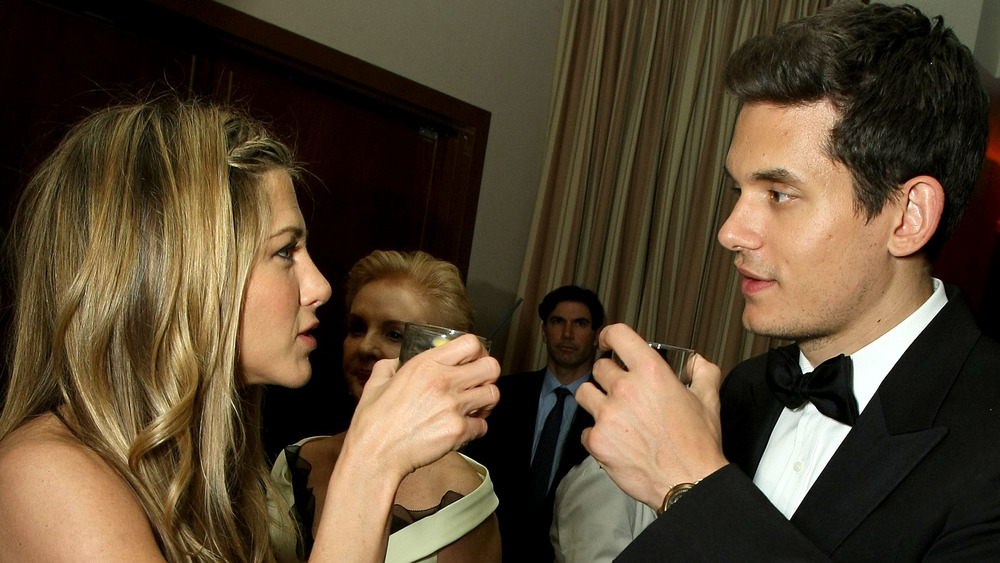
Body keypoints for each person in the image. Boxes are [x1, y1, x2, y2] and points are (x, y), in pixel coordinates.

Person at [576, 2, 1000, 560]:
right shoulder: (739, 394)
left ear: (907, 216)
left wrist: (693, 489)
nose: (730, 233)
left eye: (778, 194)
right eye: (738, 192)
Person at [0, 98, 499, 561]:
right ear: (184, 272)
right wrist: (370, 465)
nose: (321, 286)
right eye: (286, 251)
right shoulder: (47, 478)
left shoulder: (211, 468)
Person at [270, 249, 501, 563]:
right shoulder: (294, 461)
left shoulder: (465, 498)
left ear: (448, 355)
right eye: (357, 328)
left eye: (394, 334)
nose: (365, 346)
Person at [464, 285, 604, 562]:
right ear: (543, 331)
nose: (567, 333)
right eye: (557, 321)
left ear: (597, 336)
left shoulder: (609, 408)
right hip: (493, 548)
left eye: (580, 323)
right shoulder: (499, 394)